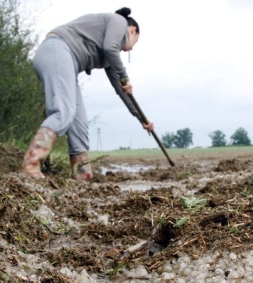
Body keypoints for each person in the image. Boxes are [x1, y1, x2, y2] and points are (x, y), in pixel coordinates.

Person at [22, 7, 154, 180]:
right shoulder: (118, 21)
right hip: (56, 49)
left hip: (67, 62)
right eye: (134, 43)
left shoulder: (110, 56)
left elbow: (123, 92)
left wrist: (142, 119)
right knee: (63, 111)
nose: (128, 50)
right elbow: (110, 47)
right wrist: (124, 76)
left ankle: (82, 175)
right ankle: (31, 163)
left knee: (79, 123)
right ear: (133, 30)